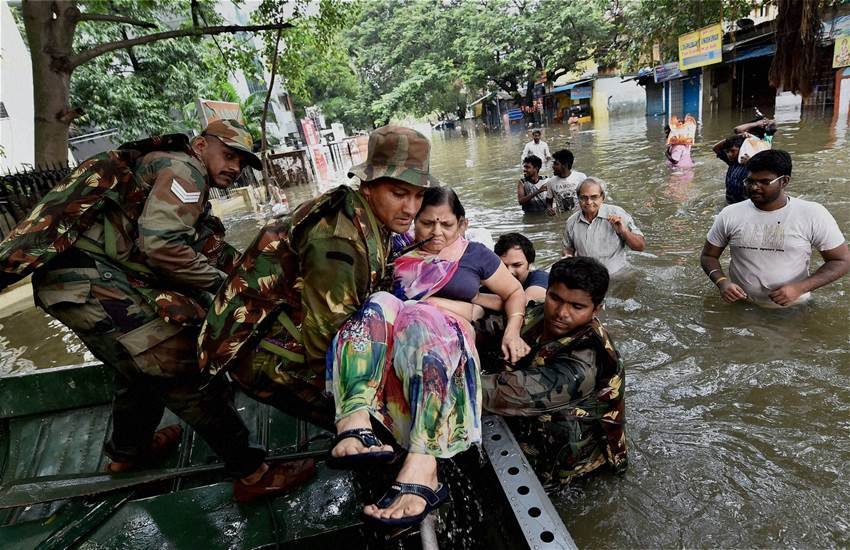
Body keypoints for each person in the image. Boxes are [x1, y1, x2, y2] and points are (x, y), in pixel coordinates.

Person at [0, 120, 313, 501]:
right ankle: (252, 473)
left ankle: (127, 455)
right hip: (90, 282)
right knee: (176, 364)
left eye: (241, 161)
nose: (234, 166)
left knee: (136, 369)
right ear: (200, 145)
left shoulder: (165, 167)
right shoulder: (186, 171)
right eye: (228, 154)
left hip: (74, 282)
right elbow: (162, 246)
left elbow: (203, 249)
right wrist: (223, 289)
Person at [197, 125, 435, 432]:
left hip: (288, 327)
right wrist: (362, 403)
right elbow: (328, 340)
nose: (411, 209)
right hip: (258, 353)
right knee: (382, 419)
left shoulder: (370, 218)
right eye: (399, 194)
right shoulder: (340, 241)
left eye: (419, 196)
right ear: (367, 186)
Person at [328, 187, 530, 527]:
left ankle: (424, 461)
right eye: (427, 223)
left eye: (446, 224)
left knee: (421, 317)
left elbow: (513, 292)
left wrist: (509, 330)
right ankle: (354, 418)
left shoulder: (475, 255)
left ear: (462, 224)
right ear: (413, 222)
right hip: (394, 341)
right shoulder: (394, 248)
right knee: (377, 303)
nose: (437, 233)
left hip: (444, 344)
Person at [481, 256, 628, 488]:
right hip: (537, 428)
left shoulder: (587, 358)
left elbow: (512, 392)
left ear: (596, 309)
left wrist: (443, 389)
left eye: (576, 306)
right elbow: (491, 326)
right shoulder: (539, 314)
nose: (561, 312)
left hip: (576, 466)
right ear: (547, 292)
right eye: (555, 298)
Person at [700, 150, 849, 307]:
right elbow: (708, 256)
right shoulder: (731, 213)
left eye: (764, 182)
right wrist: (722, 282)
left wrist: (800, 288)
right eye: (750, 181)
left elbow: (842, 260)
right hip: (742, 305)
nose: (754, 187)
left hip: (793, 307)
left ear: (784, 181)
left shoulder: (812, 213)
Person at [562, 178, 645, 275]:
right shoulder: (572, 222)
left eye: (594, 197)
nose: (588, 202)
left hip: (617, 275)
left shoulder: (617, 214)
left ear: (602, 198)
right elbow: (568, 248)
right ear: (578, 199)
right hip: (587, 278)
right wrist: (568, 258)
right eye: (583, 197)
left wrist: (624, 231)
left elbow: (640, 247)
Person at [485, 232, 548, 304]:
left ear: (530, 264)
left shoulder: (541, 278)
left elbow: (523, 303)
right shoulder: (489, 286)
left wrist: (477, 298)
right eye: (503, 266)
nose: (509, 271)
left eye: (517, 265)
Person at [545, 149, 586, 216]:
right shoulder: (551, 182)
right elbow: (549, 200)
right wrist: (549, 208)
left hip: (580, 217)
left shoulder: (581, 177)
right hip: (562, 221)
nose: (553, 166)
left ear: (565, 165)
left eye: (556, 164)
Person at [712, 134, 748, 204]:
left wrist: (750, 162)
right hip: (730, 201)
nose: (729, 154)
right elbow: (716, 148)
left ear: (742, 150)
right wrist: (735, 137)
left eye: (733, 151)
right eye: (727, 151)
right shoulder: (732, 162)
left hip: (743, 203)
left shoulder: (750, 164)